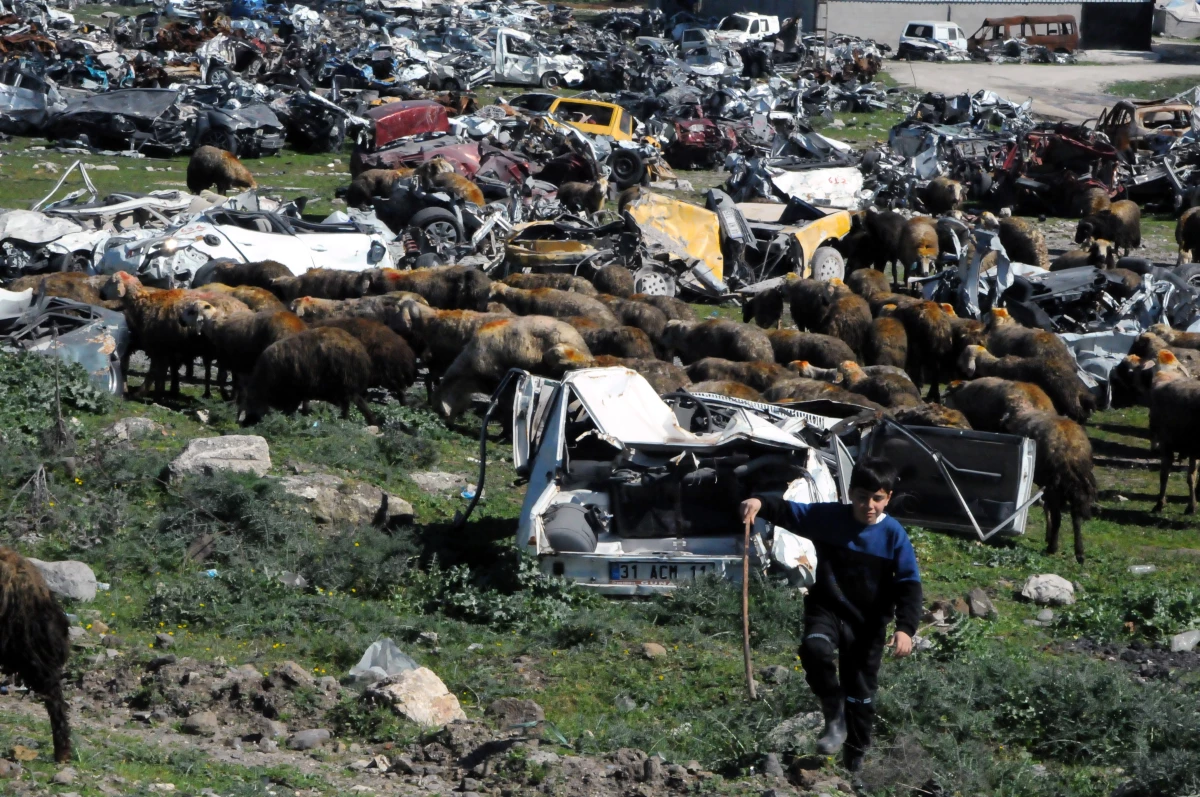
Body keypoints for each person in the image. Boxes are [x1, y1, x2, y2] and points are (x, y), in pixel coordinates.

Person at [739, 457, 922, 775]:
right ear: (851, 493)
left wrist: (905, 628)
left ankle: (855, 762)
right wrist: (759, 502)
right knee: (814, 649)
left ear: (888, 498)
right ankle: (832, 710)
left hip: (868, 625)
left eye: (877, 498)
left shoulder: (894, 536)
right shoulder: (830, 518)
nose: (868, 505)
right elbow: (790, 512)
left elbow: (909, 585)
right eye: (862, 497)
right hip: (827, 608)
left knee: (861, 695)